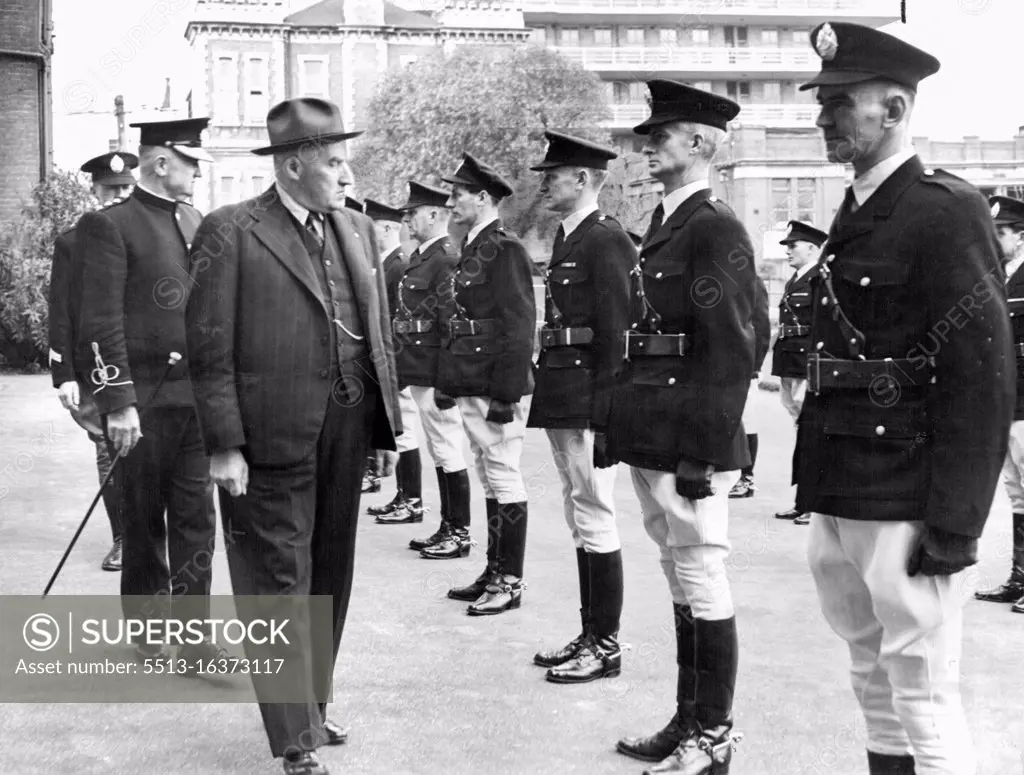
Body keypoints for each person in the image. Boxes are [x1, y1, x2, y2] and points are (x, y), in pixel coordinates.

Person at [796, 23, 1012, 774]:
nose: (823, 117)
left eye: (839, 103)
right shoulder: (857, 209)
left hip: (905, 491)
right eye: (821, 102)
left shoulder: (943, 208)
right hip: (844, 485)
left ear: (892, 109)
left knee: (923, 695)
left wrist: (956, 521)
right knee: (873, 682)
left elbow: (980, 377)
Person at [185, 97, 402, 775]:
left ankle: (311, 701)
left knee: (329, 573)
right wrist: (224, 443)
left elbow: (377, 331)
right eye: (335, 161)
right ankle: (294, 740)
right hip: (266, 434)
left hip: (345, 425)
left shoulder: (358, 230)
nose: (347, 173)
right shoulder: (231, 231)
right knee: (276, 580)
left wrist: (385, 423)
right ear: (294, 163)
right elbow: (209, 346)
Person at [606, 80, 754, 775]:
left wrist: (703, 451)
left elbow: (731, 347)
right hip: (656, 428)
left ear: (698, 143)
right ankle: (688, 718)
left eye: (659, 136)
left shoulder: (714, 225)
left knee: (701, 575)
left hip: (688, 438)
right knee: (678, 574)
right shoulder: (669, 220)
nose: (646, 146)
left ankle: (714, 734)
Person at [74, 119, 221, 666]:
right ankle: (147, 633)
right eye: (190, 162)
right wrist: (118, 402)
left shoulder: (195, 220)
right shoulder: (110, 224)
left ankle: (193, 639)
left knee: (196, 520)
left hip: (193, 401)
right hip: (143, 403)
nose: (196, 173)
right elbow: (101, 320)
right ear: (162, 163)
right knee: (142, 519)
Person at [526, 131, 634, 683]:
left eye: (554, 174)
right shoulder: (572, 238)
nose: (545, 182)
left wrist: (609, 413)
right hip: (565, 395)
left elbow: (618, 334)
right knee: (579, 514)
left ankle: (605, 644)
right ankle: (591, 633)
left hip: (589, 399)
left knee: (595, 514)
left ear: (585, 180)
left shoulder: (605, 239)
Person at [435, 152, 535, 616]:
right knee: (490, 479)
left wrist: (506, 394)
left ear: (482, 197)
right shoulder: (476, 245)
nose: (451, 202)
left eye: (458, 194)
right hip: (474, 381)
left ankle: (510, 580)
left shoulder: (505, 247)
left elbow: (518, 324)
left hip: (494, 386)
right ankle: (495, 571)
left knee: (504, 477)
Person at [48, 150, 136, 571]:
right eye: (110, 189)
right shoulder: (72, 243)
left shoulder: (148, 233)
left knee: (151, 453)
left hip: (148, 366)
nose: (118, 196)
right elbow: (61, 309)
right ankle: (124, 538)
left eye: (125, 188)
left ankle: (153, 534)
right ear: (94, 190)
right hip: (97, 369)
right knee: (108, 451)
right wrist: (63, 374)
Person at [392, 180, 474, 559]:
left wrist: (446, 380)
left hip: (434, 371)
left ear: (434, 214)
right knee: (441, 450)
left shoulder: (444, 257)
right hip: (419, 368)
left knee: (448, 449)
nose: (407, 219)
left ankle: (458, 532)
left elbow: (449, 324)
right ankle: (448, 526)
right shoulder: (424, 256)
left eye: (412, 213)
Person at [362, 198, 426, 525]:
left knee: (405, 432)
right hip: (384, 360)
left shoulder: (399, 264)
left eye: (370, 226)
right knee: (397, 432)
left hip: (396, 360)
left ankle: (412, 500)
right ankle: (403, 495)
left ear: (387, 228)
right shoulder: (385, 263)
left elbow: (401, 318)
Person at [974, 194, 1024, 614]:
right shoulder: (1002, 277)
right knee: (1017, 494)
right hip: (1008, 406)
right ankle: (1019, 578)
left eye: (1001, 232)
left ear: (1020, 236)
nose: (995, 239)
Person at [770, 220, 827, 525]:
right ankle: (803, 499)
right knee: (802, 434)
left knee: (811, 435)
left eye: (793, 245)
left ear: (813, 248)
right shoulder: (795, 279)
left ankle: (812, 504)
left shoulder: (820, 278)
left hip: (807, 364)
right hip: (791, 363)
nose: (788, 251)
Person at [729, 274, 770, 499]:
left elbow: (762, 325)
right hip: (719, 363)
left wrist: (755, 365)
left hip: (744, 364)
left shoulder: (752, 281)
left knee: (747, 421)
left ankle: (747, 478)